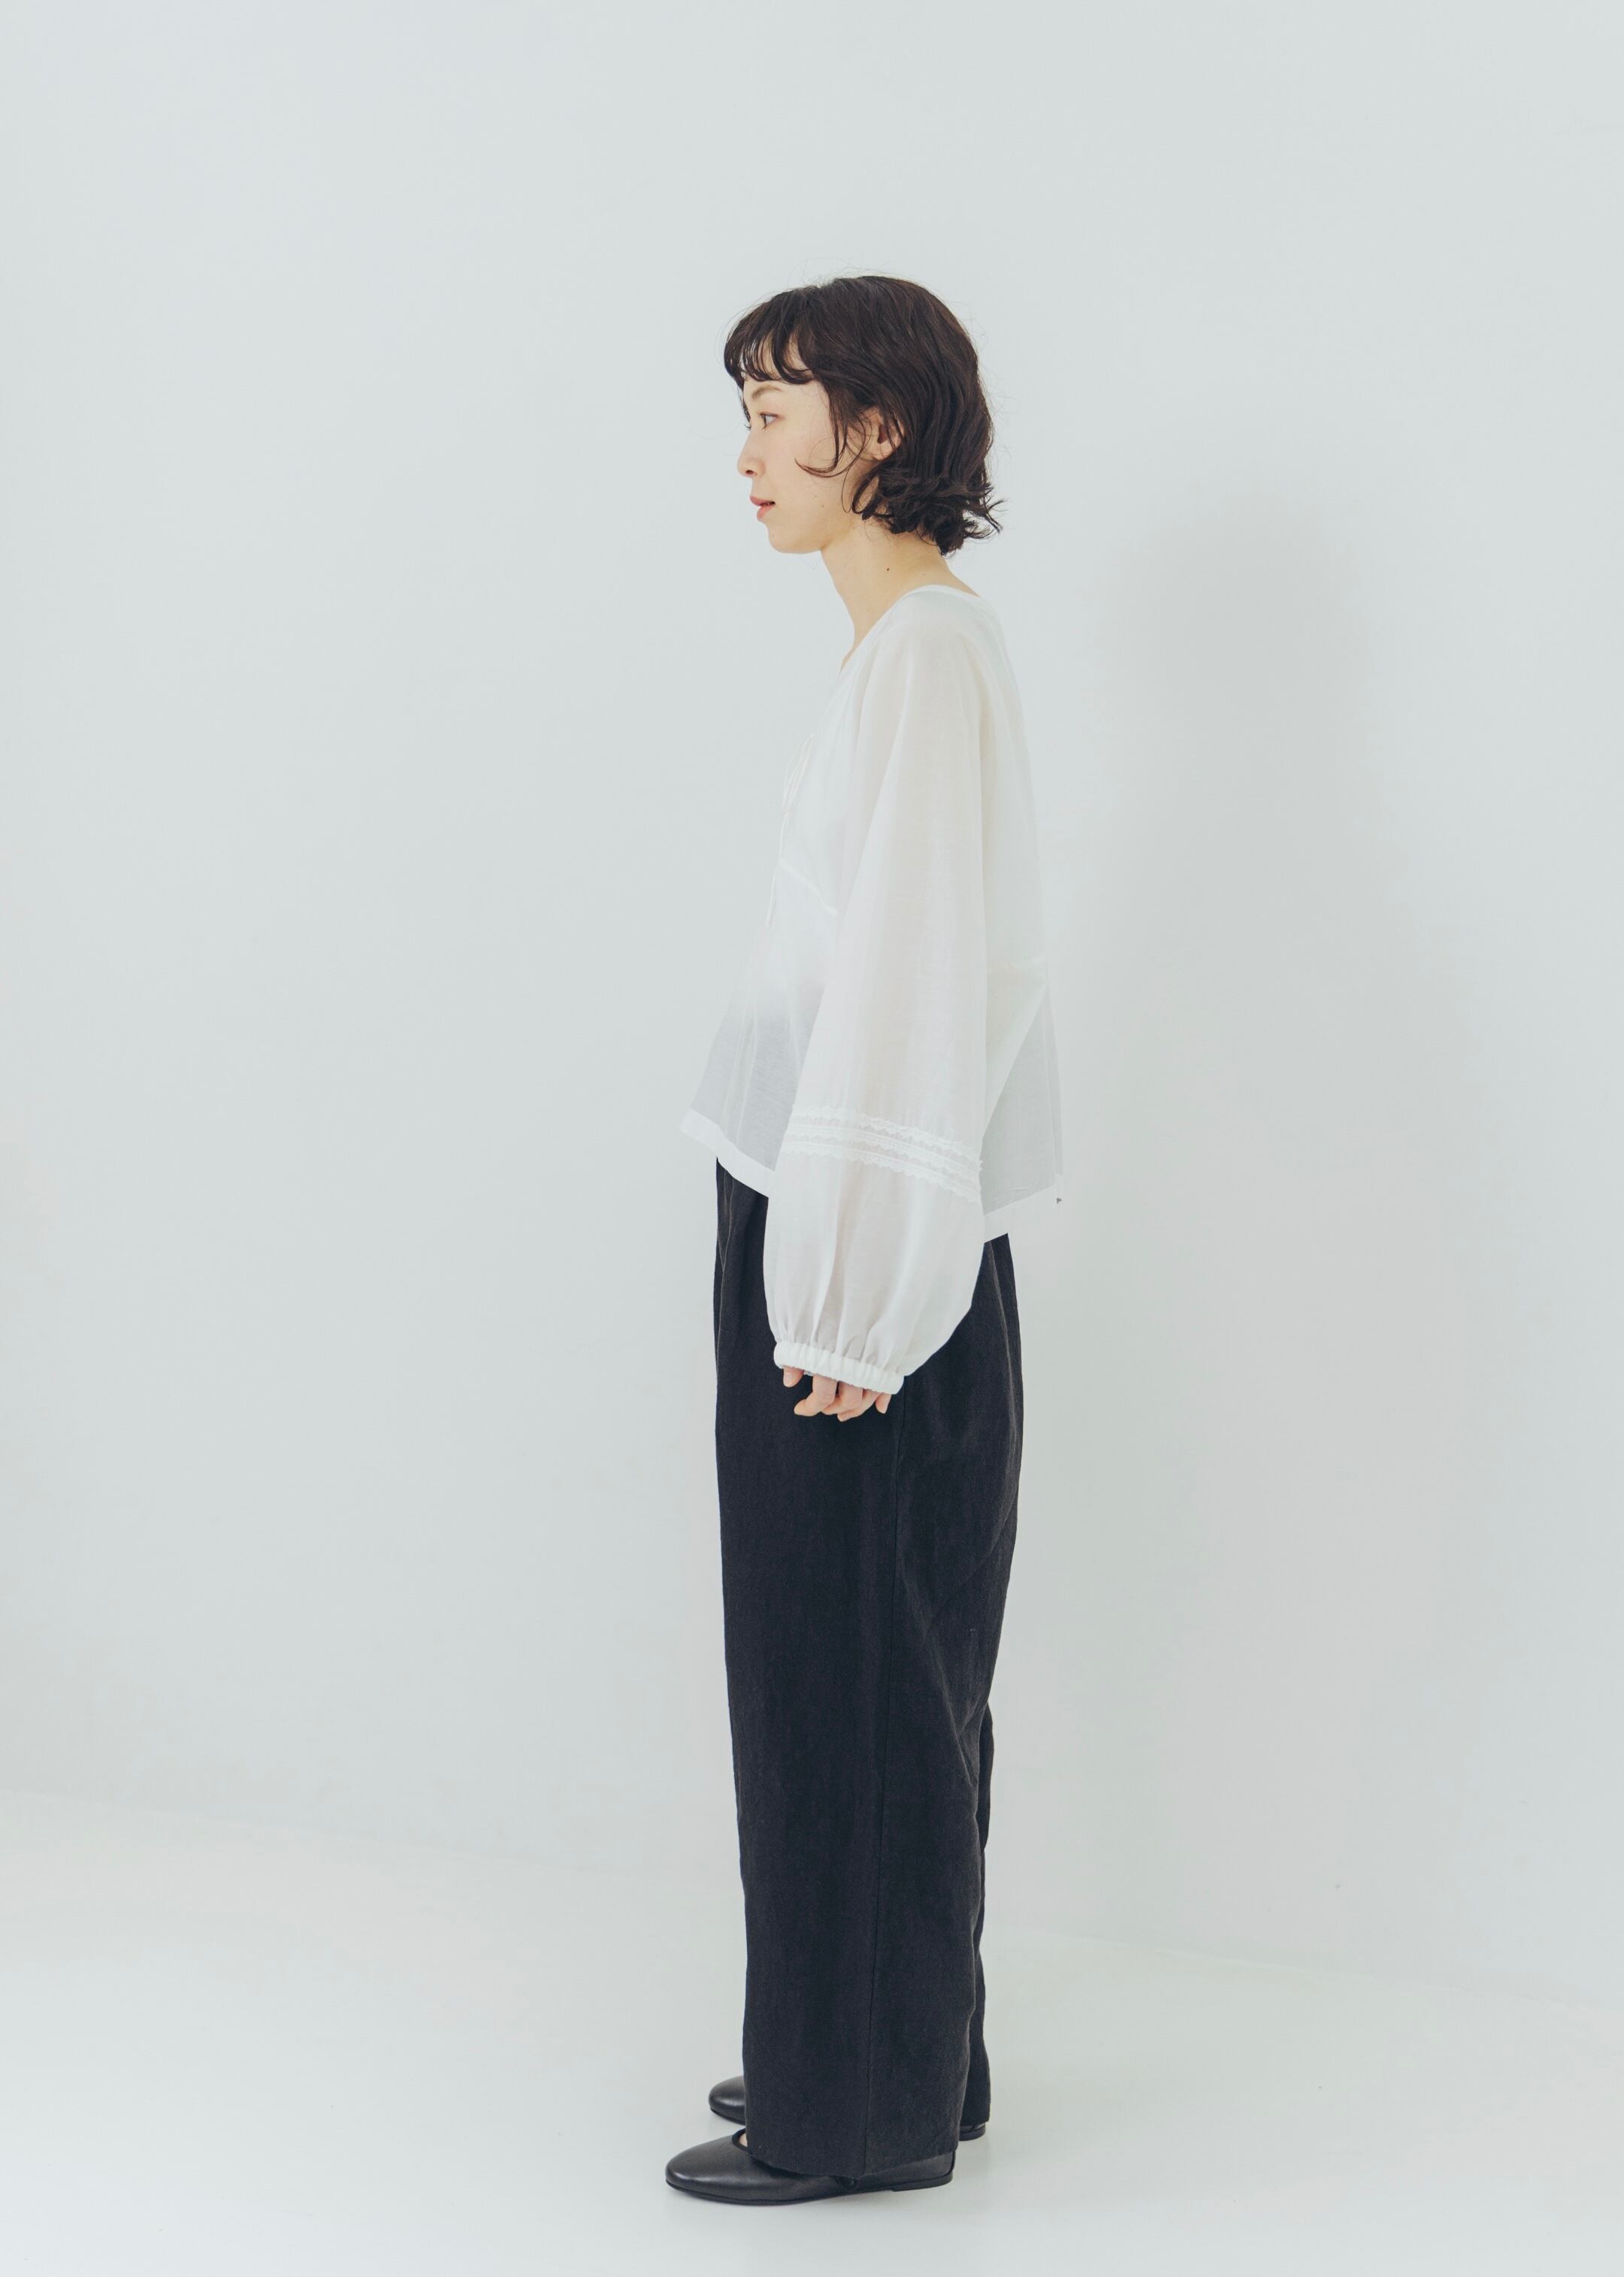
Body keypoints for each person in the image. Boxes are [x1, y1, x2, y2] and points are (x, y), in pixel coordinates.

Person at [668, 275, 1064, 2206]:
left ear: (877, 430)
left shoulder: (921, 656)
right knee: (878, 1661)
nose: (745, 455)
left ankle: (857, 2112)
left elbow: (914, 990)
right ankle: (889, 2056)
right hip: (847, 1215)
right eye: (743, 413)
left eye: (775, 411)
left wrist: (852, 1300)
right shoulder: (911, 651)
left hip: (857, 1245)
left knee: (843, 1670)